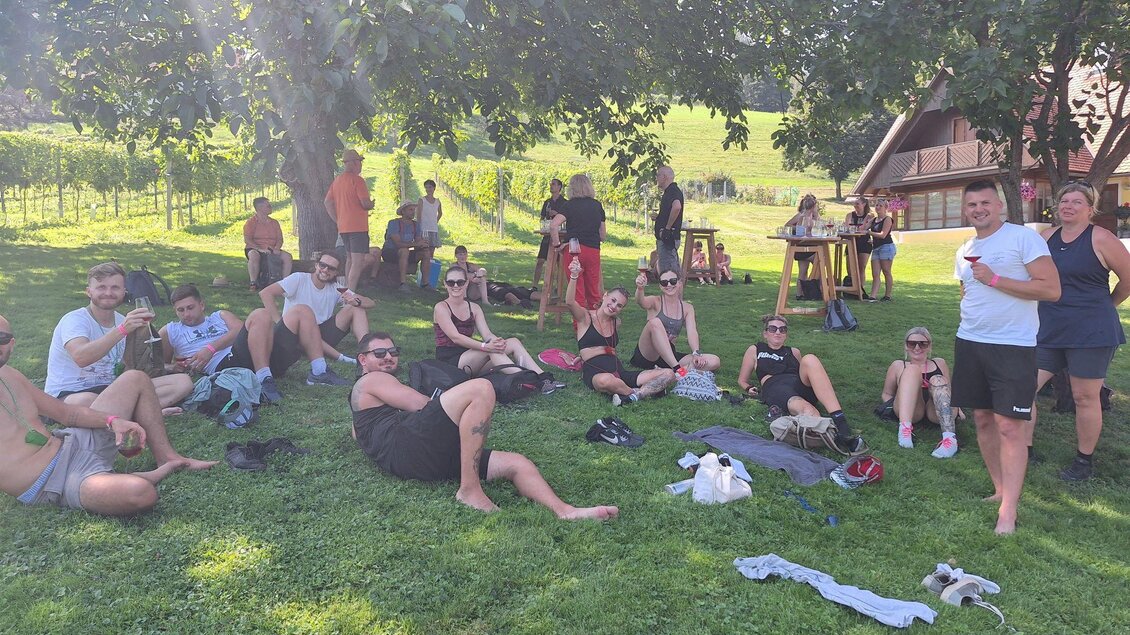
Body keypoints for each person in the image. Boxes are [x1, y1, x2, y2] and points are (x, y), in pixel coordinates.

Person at [350, 331, 618, 519]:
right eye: (380, 353)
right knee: (481, 389)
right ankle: (469, 490)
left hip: (420, 459)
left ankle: (566, 512)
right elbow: (423, 405)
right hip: (409, 449)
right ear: (363, 359)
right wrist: (459, 407)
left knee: (516, 463)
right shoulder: (372, 380)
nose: (389, 357)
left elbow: (358, 432)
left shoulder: (363, 399)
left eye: (393, 352)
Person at [1, 314, 216, 516]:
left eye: (2, 337)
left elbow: (67, 414)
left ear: (11, 343)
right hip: (55, 482)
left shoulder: (10, 375)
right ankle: (135, 476)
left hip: (69, 442)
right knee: (140, 493)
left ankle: (168, 459)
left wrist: (113, 421)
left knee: (135, 379)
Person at [953, 179, 1060, 535]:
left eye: (985, 202)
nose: (978, 209)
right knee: (982, 419)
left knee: (1010, 426)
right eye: (972, 205)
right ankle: (999, 490)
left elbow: (1050, 288)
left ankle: (1008, 512)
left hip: (1013, 346)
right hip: (970, 341)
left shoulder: (1022, 238)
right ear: (965, 210)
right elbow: (966, 291)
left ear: (998, 205)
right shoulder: (965, 248)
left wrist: (996, 279)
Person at [1032, 180, 1130, 481]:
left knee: (1085, 397)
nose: (1068, 206)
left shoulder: (1101, 238)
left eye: (1076, 202)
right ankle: (1023, 449)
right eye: (1064, 201)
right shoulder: (1045, 237)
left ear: (1090, 208)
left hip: (1091, 332)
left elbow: (1128, 279)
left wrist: (1106, 305)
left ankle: (1083, 462)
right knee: (1023, 388)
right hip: (1048, 328)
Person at [45, 262, 193, 413]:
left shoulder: (122, 320)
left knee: (182, 382)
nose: (108, 292)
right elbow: (80, 357)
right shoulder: (75, 319)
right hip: (70, 394)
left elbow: (126, 367)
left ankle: (128, 412)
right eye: (101, 287)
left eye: (115, 287)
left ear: (124, 292)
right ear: (89, 291)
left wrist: (165, 367)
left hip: (110, 391)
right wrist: (122, 330)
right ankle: (147, 412)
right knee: (86, 401)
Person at [736, 314, 864, 452]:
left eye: (782, 329)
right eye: (773, 329)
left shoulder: (794, 351)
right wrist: (748, 387)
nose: (778, 332)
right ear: (765, 333)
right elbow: (742, 380)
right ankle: (836, 437)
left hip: (798, 384)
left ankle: (840, 420)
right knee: (807, 409)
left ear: (786, 334)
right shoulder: (756, 349)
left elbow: (806, 373)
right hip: (776, 386)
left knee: (810, 359)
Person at [432, 266, 562, 394]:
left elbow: (487, 334)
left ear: (466, 283)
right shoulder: (441, 307)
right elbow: (456, 337)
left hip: (472, 357)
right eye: (451, 282)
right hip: (450, 363)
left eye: (460, 282)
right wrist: (486, 346)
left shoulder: (474, 308)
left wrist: (497, 342)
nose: (455, 286)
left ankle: (544, 378)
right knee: (492, 350)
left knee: (513, 342)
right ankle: (533, 381)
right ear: (445, 284)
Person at [565, 259, 676, 405]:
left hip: (620, 373)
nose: (613, 306)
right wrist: (574, 276)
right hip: (596, 374)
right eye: (612, 300)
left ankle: (632, 395)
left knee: (668, 373)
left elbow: (605, 346)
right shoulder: (585, 318)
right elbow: (570, 302)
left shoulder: (616, 322)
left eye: (619, 305)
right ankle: (638, 392)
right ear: (605, 296)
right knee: (606, 381)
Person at [259, 252, 375, 386]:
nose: (325, 270)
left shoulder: (336, 287)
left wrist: (357, 302)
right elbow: (266, 293)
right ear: (316, 265)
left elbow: (371, 303)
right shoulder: (299, 279)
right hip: (296, 334)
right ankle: (340, 359)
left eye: (331, 268)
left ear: (336, 272)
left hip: (322, 332)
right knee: (304, 313)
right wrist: (279, 322)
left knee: (356, 308)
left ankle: (366, 350)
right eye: (323, 265)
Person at [158, 284, 284, 403]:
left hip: (243, 352)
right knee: (260, 314)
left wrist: (211, 348)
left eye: (190, 308)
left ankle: (264, 379)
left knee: (262, 314)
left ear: (201, 305)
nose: (186, 314)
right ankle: (264, 378)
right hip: (223, 366)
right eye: (181, 310)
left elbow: (240, 331)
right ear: (175, 311)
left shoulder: (220, 316)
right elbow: (155, 365)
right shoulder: (171, 331)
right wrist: (172, 367)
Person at [880, 327, 964, 458]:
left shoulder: (940, 363)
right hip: (912, 411)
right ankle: (904, 430)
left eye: (923, 344)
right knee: (912, 370)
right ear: (906, 346)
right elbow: (887, 393)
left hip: (935, 410)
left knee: (938, 379)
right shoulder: (898, 365)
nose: (917, 348)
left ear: (929, 346)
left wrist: (958, 409)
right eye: (912, 343)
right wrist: (894, 405)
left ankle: (950, 440)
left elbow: (948, 391)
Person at [631, 267, 721, 372]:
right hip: (648, 354)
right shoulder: (655, 301)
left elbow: (692, 332)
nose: (669, 285)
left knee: (714, 360)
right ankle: (679, 370)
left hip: (669, 356)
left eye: (673, 281)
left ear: (679, 283)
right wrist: (640, 288)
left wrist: (696, 353)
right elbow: (640, 301)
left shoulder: (687, 308)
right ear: (660, 286)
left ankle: (670, 371)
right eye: (664, 282)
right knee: (654, 322)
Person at [549, 174, 607, 309]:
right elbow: (603, 235)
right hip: (593, 250)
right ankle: (596, 324)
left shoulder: (569, 205)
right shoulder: (597, 205)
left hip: (574, 250)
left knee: (577, 292)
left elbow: (553, 225)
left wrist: (558, 245)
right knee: (594, 291)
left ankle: (580, 326)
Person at [324, 148, 375, 292]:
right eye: (359, 161)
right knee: (357, 262)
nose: (360, 165)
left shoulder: (337, 181)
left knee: (350, 260)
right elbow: (365, 203)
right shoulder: (358, 181)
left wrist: (338, 220)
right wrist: (372, 204)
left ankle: (345, 289)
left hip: (344, 227)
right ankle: (350, 294)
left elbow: (327, 202)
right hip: (358, 227)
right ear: (353, 163)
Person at [243, 197, 292, 290]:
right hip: (255, 248)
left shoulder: (274, 222)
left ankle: (284, 283)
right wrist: (259, 249)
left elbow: (280, 239)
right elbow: (247, 240)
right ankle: (253, 282)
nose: (271, 207)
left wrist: (277, 248)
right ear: (260, 208)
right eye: (268, 206)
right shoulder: (250, 222)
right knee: (254, 256)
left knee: (287, 256)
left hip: (272, 248)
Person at [383, 202, 430, 292]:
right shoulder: (394, 223)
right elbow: (398, 244)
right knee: (404, 250)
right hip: (390, 252)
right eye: (410, 210)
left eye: (414, 210)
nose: (413, 212)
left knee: (425, 253)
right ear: (403, 211)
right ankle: (403, 283)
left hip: (405, 252)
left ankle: (425, 283)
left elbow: (418, 241)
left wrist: (422, 245)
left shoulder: (416, 225)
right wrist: (416, 244)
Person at [533, 178, 566, 287]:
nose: (551, 186)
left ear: (559, 187)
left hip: (559, 236)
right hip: (547, 236)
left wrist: (557, 214)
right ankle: (534, 286)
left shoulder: (565, 203)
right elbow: (542, 217)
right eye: (550, 184)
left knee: (558, 263)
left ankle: (557, 287)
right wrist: (544, 223)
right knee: (540, 261)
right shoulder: (547, 202)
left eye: (554, 184)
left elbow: (568, 219)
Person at [785, 194, 820, 295]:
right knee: (821, 262)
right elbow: (787, 225)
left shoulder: (813, 217)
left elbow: (819, 226)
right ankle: (811, 290)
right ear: (813, 206)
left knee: (803, 271)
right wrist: (798, 229)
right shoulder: (801, 216)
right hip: (803, 246)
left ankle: (800, 293)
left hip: (811, 246)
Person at [653, 166, 684, 273]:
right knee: (669, 269)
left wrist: (667, 228)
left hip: (668, 238)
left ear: (664, 177)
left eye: (658, 175)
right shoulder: (669, 191)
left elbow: (677, 207)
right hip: (666, 237)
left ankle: (673, 289)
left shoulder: (672, 191)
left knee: (668, 272)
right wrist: (660, 217)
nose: (656, 178)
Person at [844, 197, 873, 299]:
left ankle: (861, 290)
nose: (855, 205)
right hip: (851, 242)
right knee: (850, 267)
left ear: (864, 204)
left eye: (858, 203)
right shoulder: (849, 215)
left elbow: (867, 228)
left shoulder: (869, 216)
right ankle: (850, 290)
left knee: (861, 267)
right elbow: (847, 228)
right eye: (854, 204)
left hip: (864, 242)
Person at [868, 198, 896, 301]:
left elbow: (883, 235)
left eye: (880, 206)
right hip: (876, 248)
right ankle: (873, 296)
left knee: (886, 271)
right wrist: (867, 218)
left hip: (886, 247)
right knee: (875, 273)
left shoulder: (887, 219)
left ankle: (887, 295)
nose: (878, 207)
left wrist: (870, 233)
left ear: (886, 208)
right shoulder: (874, 220)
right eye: (876, 205)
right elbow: (863, 228)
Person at [416, 179, 443, 282]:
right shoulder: (421, 200)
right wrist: (419, 227)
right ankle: (422, 277)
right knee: (424, 252)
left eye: (430, 187)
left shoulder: (437, 201)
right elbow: (418, 215)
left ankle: (428, 278)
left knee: (431, 253)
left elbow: (440, 213)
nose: (428, 189)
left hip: (434, 230)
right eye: (426, 187)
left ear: (434, 188)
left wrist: (435, 221)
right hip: (424, 229)